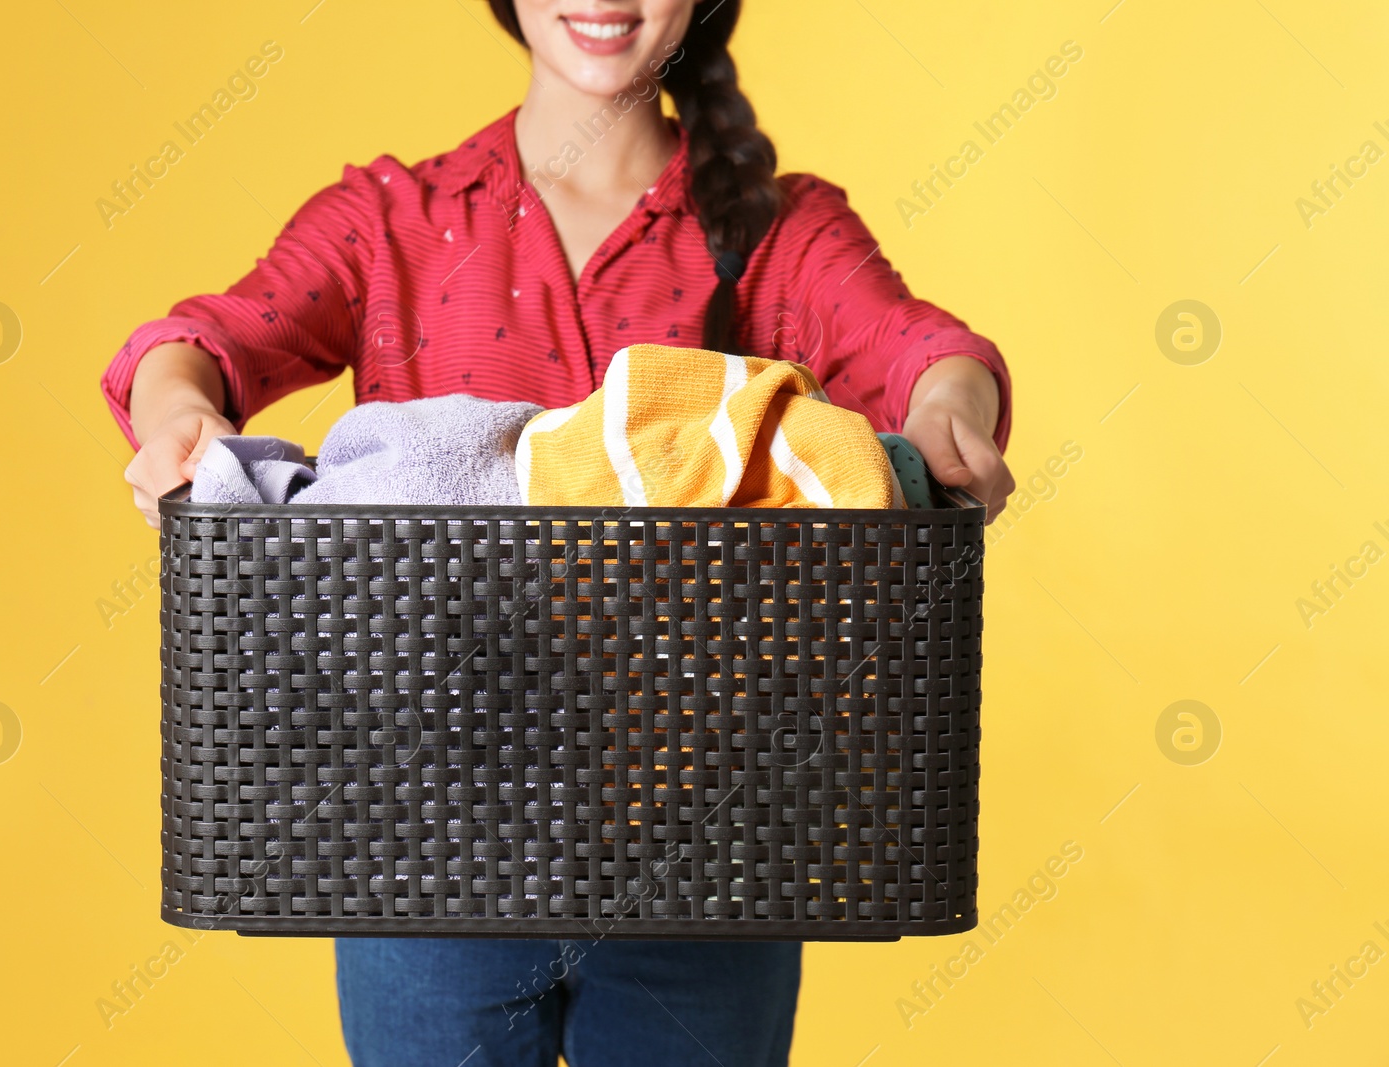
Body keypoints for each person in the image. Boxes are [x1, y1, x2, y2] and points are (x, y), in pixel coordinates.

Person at [102, 2, 1014, 1062]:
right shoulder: (390, 217)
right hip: (421, 840)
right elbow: (212, 336)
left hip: (709, 847)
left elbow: (922, 350)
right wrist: (177, 410)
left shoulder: (780, 230)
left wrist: (954, 414)